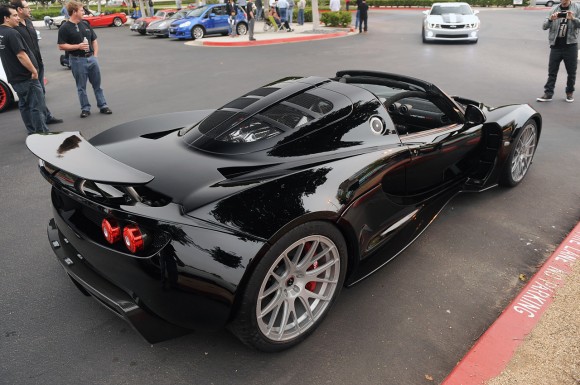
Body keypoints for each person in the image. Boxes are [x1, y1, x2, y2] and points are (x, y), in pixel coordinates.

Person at [57, 1, 112, 118]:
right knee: (81, 87)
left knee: (98, 85)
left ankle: (103, 106)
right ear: (74, 12)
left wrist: (95, 56)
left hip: (92, 59)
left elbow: (94, 40)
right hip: (77, 60)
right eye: (81, 10)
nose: (84, 12)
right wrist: (78, 46)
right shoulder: (64, 28)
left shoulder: (85, 24)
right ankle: (85, 108)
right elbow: (61, 46)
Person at [12, 0, 63, 125]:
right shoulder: (14, 27)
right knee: (28, 100)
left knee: (41, 93)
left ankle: (46, 116)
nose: (30, 9)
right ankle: (34, 126)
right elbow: (18, 52)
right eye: (27, 7)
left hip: (38, 63)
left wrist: (38, 60)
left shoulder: (29, 22)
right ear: (19, 10)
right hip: (27, 68)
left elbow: (34, 43)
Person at [0, 6, 49, 135]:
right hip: (26, 77)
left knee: (24, 105)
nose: (17, 18)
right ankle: (42, 134)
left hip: (14, 77)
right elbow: (21, 55)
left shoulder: (1, 33)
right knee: (37, 106)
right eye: (14, 15)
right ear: (6, 18)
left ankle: (32, 131)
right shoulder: (12, 33)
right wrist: (34, 71)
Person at [537, 0, 580, 103]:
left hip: (571, 45)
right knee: (552, 72)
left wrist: (573, 18)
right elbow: (544, 26)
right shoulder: (553, 9)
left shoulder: (577, 8)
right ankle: (548, 94)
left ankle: (569, 93)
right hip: (555, 46)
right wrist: (551, 20)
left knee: (571, 72)